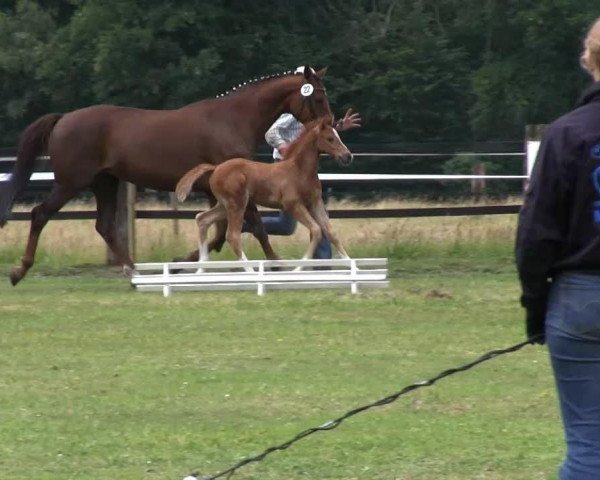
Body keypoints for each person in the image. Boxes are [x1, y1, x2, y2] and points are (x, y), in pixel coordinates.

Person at [515, 17, 600, 480]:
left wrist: (535, 306)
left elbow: (537, 233)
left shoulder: (567, 133)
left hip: (580, 296)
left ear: (590, 62)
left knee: (590, 447)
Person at [254, 67, 361, 259]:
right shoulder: (293, 112)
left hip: (303, 168)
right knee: (306, 217)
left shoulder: (310, 112)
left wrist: (338, 127)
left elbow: (318, 135)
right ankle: (323, 260)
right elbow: (271, 133)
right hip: (286, 168)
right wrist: (284, 147)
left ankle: (322, 259)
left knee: (293, 223)